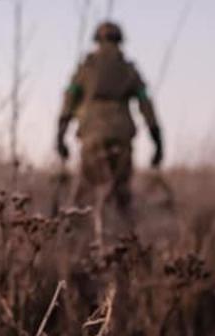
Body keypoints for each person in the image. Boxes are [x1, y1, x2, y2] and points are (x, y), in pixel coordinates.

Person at [56, 20, 163, 228]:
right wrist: (157, 139)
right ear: (120, 41)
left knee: (86, 194)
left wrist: (60, 134)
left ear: (97, 40)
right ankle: (129, 244)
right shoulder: (128, 69)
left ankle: (79, 245)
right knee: (122, 195)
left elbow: (69, 98)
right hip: (122, 138)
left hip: (92, 137)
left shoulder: (86, 68)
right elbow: (145, 102)